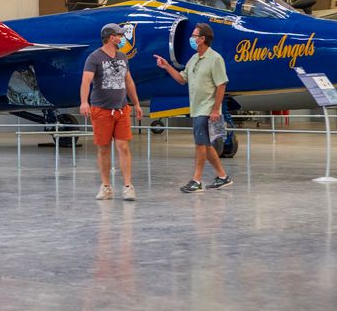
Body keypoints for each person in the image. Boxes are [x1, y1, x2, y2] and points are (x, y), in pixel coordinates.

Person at [154, 23, 233, 193]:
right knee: (206, 145)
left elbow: (221, 85)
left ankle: (196, 180)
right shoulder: (194, 59)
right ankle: (222, 177)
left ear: (202, 39)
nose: (192, 39)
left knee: (200, 145)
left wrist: (215, 110)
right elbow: (182, 79)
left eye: (194, 36)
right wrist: (167, 66)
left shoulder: (215, 59)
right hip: (197, 109)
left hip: (207, 110)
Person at [80, 23, 143, 201]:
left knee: (123, 147)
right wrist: (84, 102)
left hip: (121, 109)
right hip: (101, 110)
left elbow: (129, 82)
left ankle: (128, 186)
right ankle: (106, 186)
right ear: (110, 37)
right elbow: (86, 82)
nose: (121, 38)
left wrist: (136, 103)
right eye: (119, 35)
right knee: (104, 149)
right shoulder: (94, 58)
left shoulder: (123, 57)